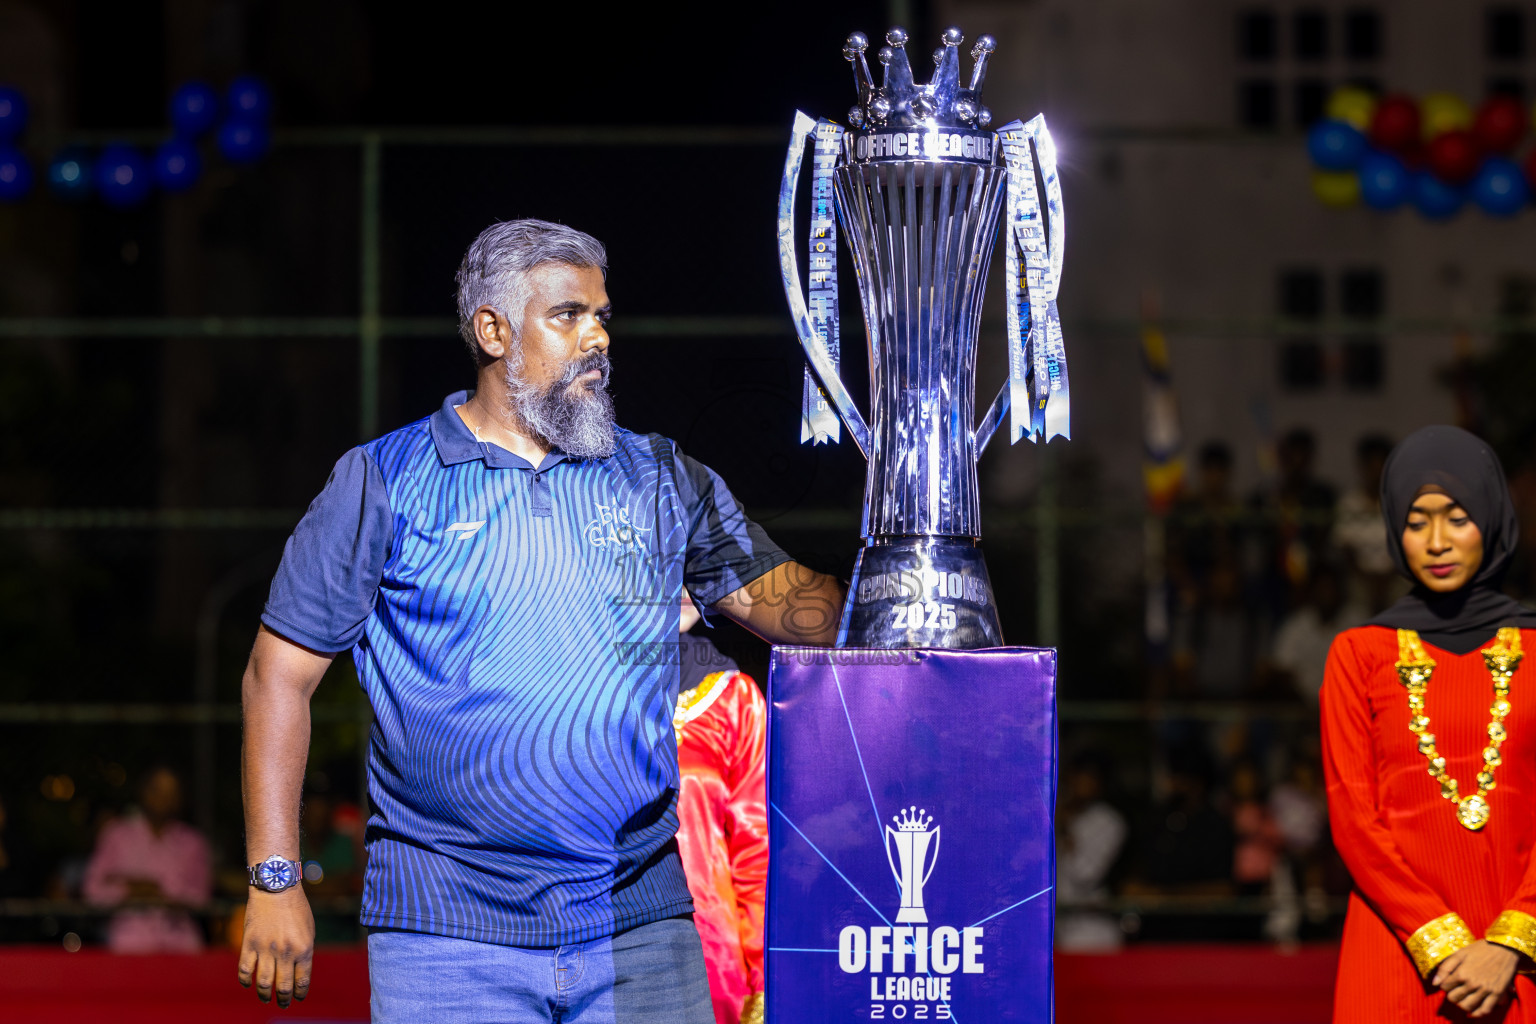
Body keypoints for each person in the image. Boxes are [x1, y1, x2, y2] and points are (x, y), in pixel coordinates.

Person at [237, 219, 844, 1019]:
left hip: (640, 925)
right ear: (492, 331)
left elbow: (802, 614)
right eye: (568, 315)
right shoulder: (384, 479)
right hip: (446, 935)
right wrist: (274, 879)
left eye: (602, 316)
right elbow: (276, 679)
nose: (598, 338)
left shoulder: (659, 476)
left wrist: (902, 568)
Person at [1322, 426, 1536, 1021]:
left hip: (1520, 955)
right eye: (1416, 523)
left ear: (1490, 518)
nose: (1437, 542)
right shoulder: (1359, 654)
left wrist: (1509, 942)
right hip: (1395, 949)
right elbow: (1352, 819)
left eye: (1457, 518)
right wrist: (1440, 940)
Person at [673, 595, 766, 1024]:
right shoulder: (573, 689)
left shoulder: (732, 699)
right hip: (593, 945)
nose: (683, 584)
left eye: (695, 565)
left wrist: (762, 980)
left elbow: (756, 850)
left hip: (710, 963)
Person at [82, 766, 212, 953]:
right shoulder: (117, 835)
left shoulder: (193, 842)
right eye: (157, 789)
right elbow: (92, 890)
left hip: (180, 943)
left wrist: (159, 891)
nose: (163, 799)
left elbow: (200, 897)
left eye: (171, 793)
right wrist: (129, 889)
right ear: (143, 791)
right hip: (128, 943)